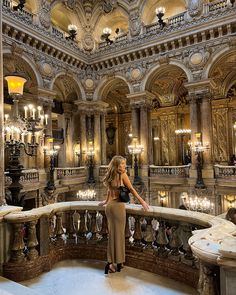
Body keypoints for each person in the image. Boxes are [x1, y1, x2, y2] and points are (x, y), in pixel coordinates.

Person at [99, 155, 149, 274]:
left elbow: (109, 191)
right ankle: (119, 262)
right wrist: (142, 202)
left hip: (109, 207)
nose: (124, 165)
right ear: (117, 164)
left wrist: (105, 202)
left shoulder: (110, 174)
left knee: (112, 235)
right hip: (118, 207)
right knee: (120, 235)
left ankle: (110, 263)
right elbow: (131, 189)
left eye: (124, 163)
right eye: (122, 164)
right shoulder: (122, 175)